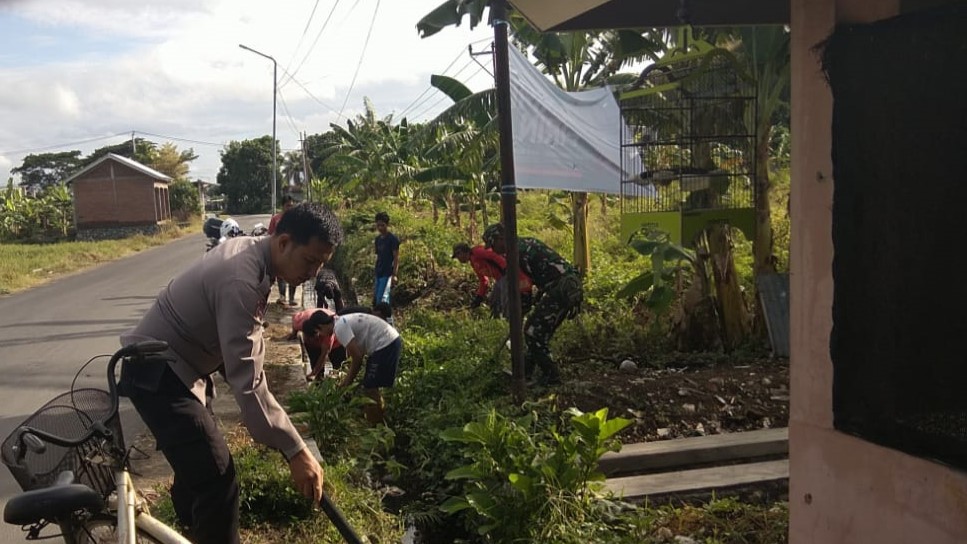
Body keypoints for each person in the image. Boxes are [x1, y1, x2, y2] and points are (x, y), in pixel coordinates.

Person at [119, 202, 342, 544]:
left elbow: (238, 358)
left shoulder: (256, 258)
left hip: (177, 369)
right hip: (159, 375)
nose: (312, 274)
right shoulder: (242, 277)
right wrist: (296, 450)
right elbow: (248, 382)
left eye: (320, 265)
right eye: (310, 261)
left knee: (198, 468)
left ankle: (188, 533)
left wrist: (280, 434)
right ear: (283, 242)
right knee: (218, 478)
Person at [482, 223, 583, 386]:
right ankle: (526, 373)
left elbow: (525, 285)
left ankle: (552, 377)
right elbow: (541, 274)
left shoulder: (517, 252)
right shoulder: (523, 244)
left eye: (493, 244)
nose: (493, 250)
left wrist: (523, 307)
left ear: (501, 238)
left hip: (562, 288)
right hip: (565, 286)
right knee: (537, 332)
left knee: (532, 332)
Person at [308, 311, 402, 425]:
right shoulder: (340, 321)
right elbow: (357, 353)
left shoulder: (339, 328)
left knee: (370, 387)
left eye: (319, 332)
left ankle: (377, 425)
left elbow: (357, 357)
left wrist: (346, 382)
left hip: (385, 343)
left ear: (321, 326)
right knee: (370, 385)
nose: (321, 335)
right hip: (386, 341)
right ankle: (377, 419)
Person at [451, 241, 534, 316]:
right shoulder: (473, 262)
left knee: (505, 301)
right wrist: (479, 297)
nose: (458, 259)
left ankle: (510, 323)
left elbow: (493, 255)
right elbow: (483, 281)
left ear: (461, 252)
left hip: (507, 276)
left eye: (458, 256)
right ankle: (498, 321)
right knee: (494, 301)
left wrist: (505, 268)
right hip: (500, 279)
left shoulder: (477, 252)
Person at [292, 307, 346, 381]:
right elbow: (294, 322)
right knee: (315, 363)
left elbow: (324, 355)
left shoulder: (327, 332)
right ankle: (319, 383)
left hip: (336, 343)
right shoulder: (299, 322)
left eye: (315, 338)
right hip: (314, 333)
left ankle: (338, 384)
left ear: (318, 331)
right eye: (310, 338)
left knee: (339, 367)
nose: (314, 341)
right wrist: (293, 334)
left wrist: (313, 373)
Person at [269, 195, 297, 305]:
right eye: (287, 206)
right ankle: (282, 296)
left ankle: (292, 298)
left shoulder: (296, 220)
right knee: (281, 275)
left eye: (291, 206)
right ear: (283, 206)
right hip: (280, 250)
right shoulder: (276, 219)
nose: (289, 208)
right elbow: (271, 234)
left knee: (294, 273)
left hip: (294, 251)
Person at [373, 211, 399, 307]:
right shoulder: (378, 240)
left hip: (387, 273)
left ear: (387, 225)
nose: (380, 228)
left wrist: (394, 274)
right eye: (378, 225)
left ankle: (386, 319)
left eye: (382, 225)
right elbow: (378, 256)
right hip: (379, 272)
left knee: (382, 298)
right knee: (377, 298)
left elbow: (396, 257)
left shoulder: (392, 239)